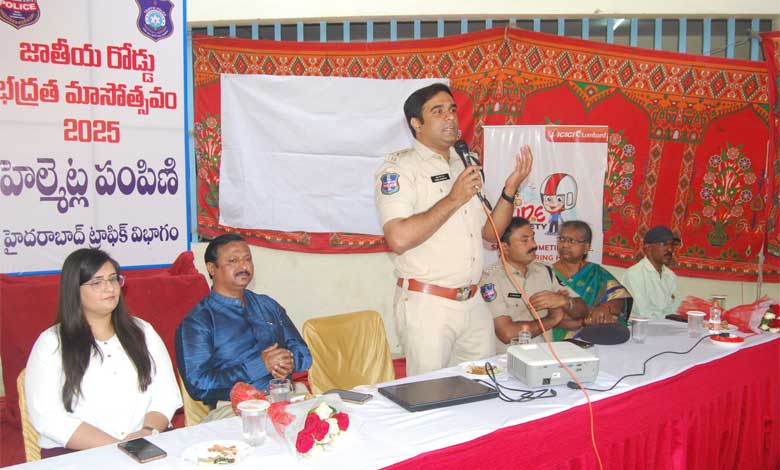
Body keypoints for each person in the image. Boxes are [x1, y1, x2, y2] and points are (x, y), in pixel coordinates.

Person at [375, 83, 532, 375]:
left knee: (483, 388)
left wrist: (510, 190)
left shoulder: (466, 161)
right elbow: (398, 238)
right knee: (429, 395)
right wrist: (454, 198)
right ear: (416, 123)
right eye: (437, 112)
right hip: (429, 305)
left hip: (473, 303)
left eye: (452, 110)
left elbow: (489, 234)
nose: (449, 118)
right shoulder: (400, 169)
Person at [25, 249, 181, 457]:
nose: (109, 288)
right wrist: (117, 446)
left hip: (145, 444)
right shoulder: (51, 343)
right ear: (74, 290)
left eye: (113, 279)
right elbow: (48, 416)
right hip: (76, 453)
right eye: (97, 282)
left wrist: (146, 432)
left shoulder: (143, 332)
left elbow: (166, 393)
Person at [175, 234, 312, 405]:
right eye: (233, 261)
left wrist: (287, 361)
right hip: (235, 408)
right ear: (212, 268)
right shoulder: (198, 322)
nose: (243, 266)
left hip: (285, 396)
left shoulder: (267, 305)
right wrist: (260, 365)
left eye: (247, 259)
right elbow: (199, 384)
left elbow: (304, 353)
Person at [479, 217, 589, 351]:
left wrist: (565, 301)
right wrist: (552, 319)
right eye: (525, 240)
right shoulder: (490, 279)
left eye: (533, 238)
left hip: (546, 355)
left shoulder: (545, 270)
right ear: (504, 247)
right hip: (509, 360)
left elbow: (583, 309)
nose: (534, 245)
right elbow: (507, 333)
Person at [550, 220, 633, 340]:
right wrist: (584, 320)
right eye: (562, 239)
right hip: (559, 337)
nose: (565, 245)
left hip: (596, 334)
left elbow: (619, 297)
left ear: (586, 247)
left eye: (572, 241)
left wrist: (605, 307)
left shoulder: (595, 272)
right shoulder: (547, 273)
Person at [622, 225, 682, 320]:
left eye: (671, 245)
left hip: (668, 327)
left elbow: (676, 307)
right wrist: (670, 319)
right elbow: (643, 313)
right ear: (648, 248)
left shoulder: (670, 276)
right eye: (664, 244)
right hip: (642, 330)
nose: (670, 249)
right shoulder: (634, 274)